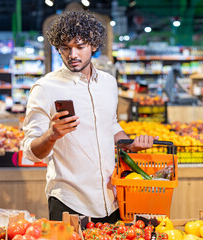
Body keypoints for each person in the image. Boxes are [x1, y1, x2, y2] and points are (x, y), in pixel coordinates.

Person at [22, 11, 158, 223]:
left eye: (79, 46)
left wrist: (129, 145)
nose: (72, 55)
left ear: (93, 45)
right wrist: (51, 135)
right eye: (65, 48)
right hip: (69, 202)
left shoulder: (108, 83)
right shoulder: (45, 88)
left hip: (112, 198)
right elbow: (30, 151)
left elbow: (110, 126)